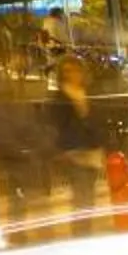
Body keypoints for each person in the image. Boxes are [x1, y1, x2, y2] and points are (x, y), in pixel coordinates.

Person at [49, 54, 105, 234]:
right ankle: (80, 232)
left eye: (75, 70)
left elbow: (98, 119)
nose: (72, 74)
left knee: (89, 195)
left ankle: (84, 230)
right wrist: (61, 148)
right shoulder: (59, 97)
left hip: (91, 149)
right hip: (73, 150)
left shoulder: (88, 93)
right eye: (67, 71)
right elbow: (56, 124)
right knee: (81, 194)